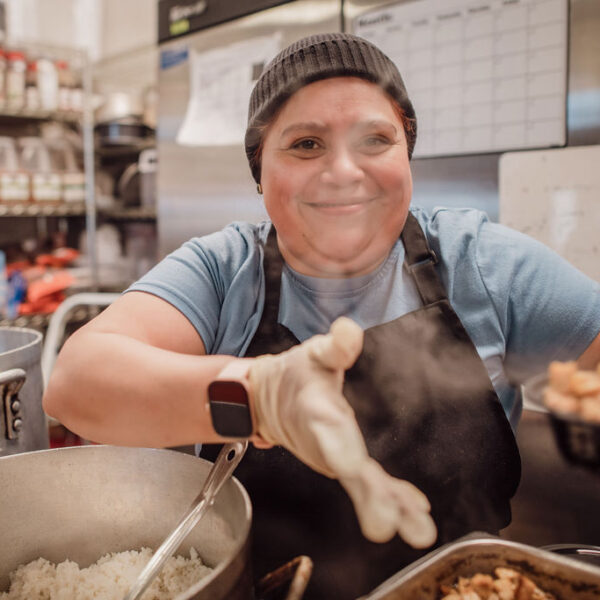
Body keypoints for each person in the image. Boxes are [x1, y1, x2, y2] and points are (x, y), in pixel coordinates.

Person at [43, 33, 600, 599]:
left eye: (375, 139)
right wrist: (260, 398)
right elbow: (74, 386)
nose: (343, 171)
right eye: (306, 144)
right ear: (260, 170)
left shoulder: (477, 259)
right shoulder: (223, 270)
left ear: (406, 151)